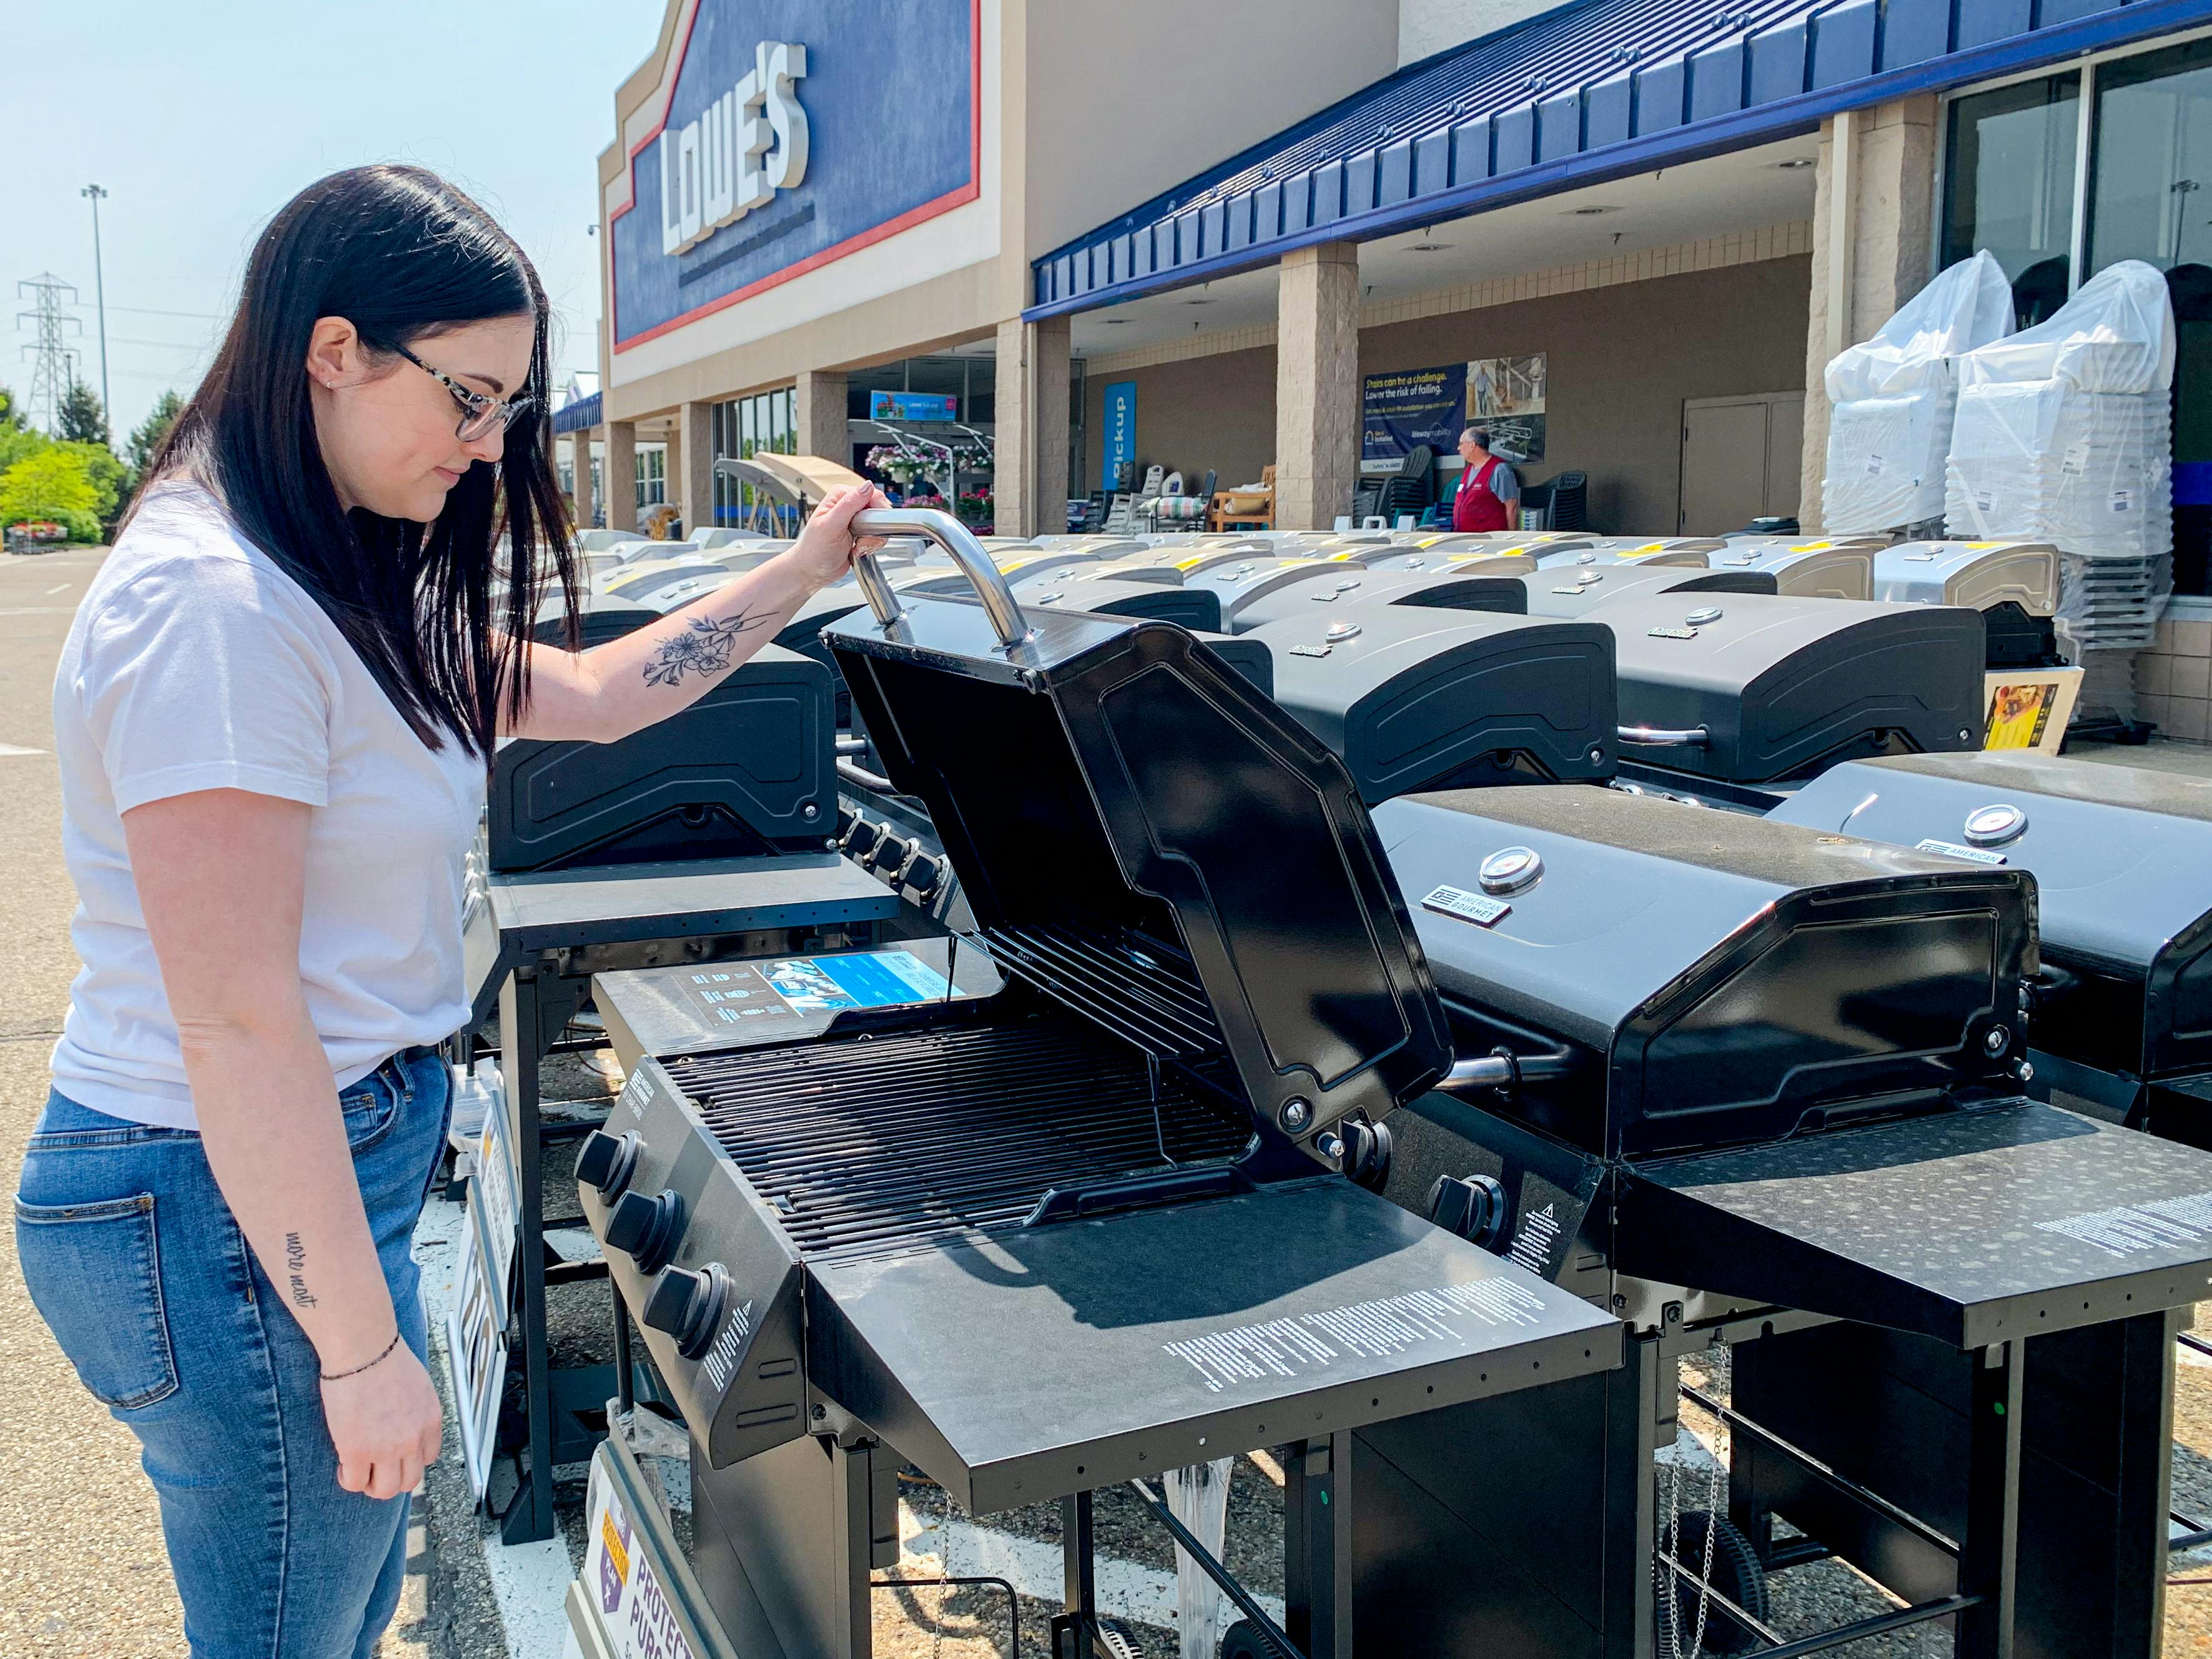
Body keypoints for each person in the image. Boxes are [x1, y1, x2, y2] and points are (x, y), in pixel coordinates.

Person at [12, 165, 889, 1659]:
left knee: (335, 1609)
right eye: (468, 400)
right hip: (217, 1197)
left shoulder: (316, 578)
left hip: (278, 1180)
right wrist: (360, 1353)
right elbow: (237, 1018)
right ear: (333, 351)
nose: (488, 448)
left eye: (509, 410)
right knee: (293, 1631)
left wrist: (803, 571)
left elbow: (597, 693)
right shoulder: (214, 610)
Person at [1451, 424, 1520, 533]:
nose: (1458, 448)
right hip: (1465, 537)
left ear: (1472, 445)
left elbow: (1512, 507)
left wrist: (1512, 537)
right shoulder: (1469, 470)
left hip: (1488, 538)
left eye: (1461, 444)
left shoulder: (1500, 470)